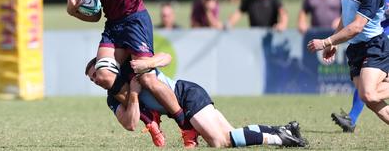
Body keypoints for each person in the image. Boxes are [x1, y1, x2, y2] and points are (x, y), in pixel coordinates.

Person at [57, 0, 189, 138]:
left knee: (147, 78)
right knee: (103, 76)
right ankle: (146, 113)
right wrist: (73, 11)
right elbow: (96, 15)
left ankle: (186, 125)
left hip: (135, 19)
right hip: (113, 26)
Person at [85, 55, 307, 148]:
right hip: (187, 99)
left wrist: (149, 62)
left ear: (108, 67)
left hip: (186, 94)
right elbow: (130, 123)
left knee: (219, 141)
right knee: (232, 134)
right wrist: (133, 94)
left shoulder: (131, 67)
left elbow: (166, 58)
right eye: (92, 78)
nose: (96, 80)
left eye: (96, 73)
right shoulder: (112, 98)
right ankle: (283, 130)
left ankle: (282, 139)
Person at [308, 0, 389, 128]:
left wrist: (327, 42)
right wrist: (335, 42)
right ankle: (352, 118)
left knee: (368, 93)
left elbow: (357, 26)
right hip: (355, 46)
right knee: (369, 97)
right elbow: (348, 14)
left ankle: (351, 118)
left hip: (376, 41)